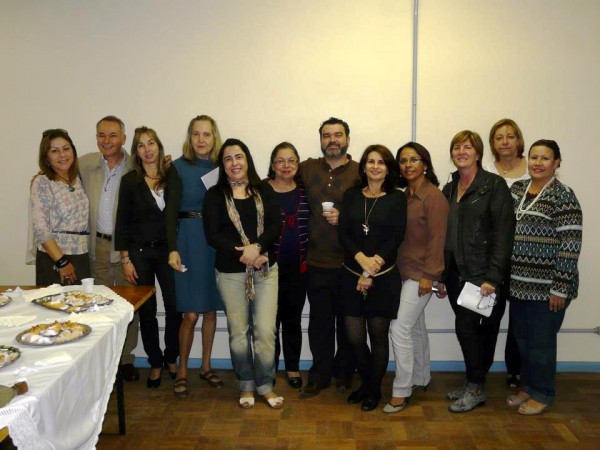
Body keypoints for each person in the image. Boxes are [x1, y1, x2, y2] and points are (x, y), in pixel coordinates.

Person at [437, 130, 515, 413]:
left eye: (468, 147)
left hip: (483, 277)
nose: (461, 152)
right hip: (456, 275)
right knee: (470, 331)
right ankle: (474, 382)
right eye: (457, 147)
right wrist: (442, 275)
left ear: (478, 153)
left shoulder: (494, 186)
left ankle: (475, 386)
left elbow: (504, 234)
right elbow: (443, 234)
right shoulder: (449, 188)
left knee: (474, 330)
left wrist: (493, 276)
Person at [203, 138, 283, 409]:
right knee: (239, 332)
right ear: (222, 165)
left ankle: (266, 385)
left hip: (266, 270)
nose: (234, 163)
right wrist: (245, 254)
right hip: (230, 273)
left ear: (247, 160)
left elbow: (275, 226)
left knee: (265, 331)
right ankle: (246, 384)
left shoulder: (264, 190)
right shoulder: (214, 196)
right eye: (228, 159)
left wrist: (257, 248)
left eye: (239, 157)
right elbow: (213, 235)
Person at [505, 140, 582, 416]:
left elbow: (571, 244)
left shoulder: (563, 196)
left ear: (556, 162)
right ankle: (528, 386)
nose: (538, 163)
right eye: (534, 157)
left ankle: (543, 393)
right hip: (518, 285)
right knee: (523, 342)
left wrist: (560, 288)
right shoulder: (517, 190)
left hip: (548, 289)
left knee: (541, 345)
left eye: (545, 158)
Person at [338, 145, 406, 411]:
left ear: (388, 169)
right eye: (370, 161)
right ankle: (367, 383)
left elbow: (396, 237)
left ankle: (374, 389)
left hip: (383, 277)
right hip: (351, 275)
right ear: (364, 167)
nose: (375, 166)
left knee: (378, 337)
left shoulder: (397, 198)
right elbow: (343, 233)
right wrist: (360, 259)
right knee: (355, 338)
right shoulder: (351, 195)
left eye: (381, 162)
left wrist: (370, 268)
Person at [297, 117, 361, 398]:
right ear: (321, 140)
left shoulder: (361, 172)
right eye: (327, 135)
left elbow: (374, 209)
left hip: (350, 262)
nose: (332, 140)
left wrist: (345, 217)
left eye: (338, 134)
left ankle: (345, 372)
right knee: (320, 324)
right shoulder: (307, 168)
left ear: (348, 139)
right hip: (317, 261)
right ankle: (319, 375)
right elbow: (278, 179)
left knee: (348, 323)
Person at [115, 127, 182, 388]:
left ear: (159, 146)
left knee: (175, 306)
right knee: (147, 311)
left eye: (151, 143)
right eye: (141, 145)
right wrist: (125, 259)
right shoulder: (130, 181)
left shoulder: (171, 174)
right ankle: (155, 362)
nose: (147, 149)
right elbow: (122, 222)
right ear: (136, 151)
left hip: (168, 251)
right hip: (139, 253)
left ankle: (171, 357)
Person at [384, 142, 448, 413]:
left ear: (425, 164)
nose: (408, 165)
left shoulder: (434, 197)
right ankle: (421, 376)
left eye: (414, 159)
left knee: (399, 328)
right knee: (415, 327)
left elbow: (438, 239)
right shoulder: (403, 196)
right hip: (401, 270)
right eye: (403, 160)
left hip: (421, 274)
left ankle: (401, 390)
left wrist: (431, 275)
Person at [165, 115, 225, 398]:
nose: (201, 140)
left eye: (207, 134)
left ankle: (206, 366)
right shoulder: (177, 167)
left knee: (211, 309)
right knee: (190, 313)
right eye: (196, 134)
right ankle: (182, 370)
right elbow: (170, 211)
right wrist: (172, 248)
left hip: (214, 242)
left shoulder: (222, 167)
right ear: (190, 137)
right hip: (187, 240)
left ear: (215, 137)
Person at [79, 116, 139, 381]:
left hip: (127, 246)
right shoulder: (85, 164)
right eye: (101, 135)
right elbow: (59, 171)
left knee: (128, 305)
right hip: (98, 245)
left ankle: (125, 360)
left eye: (113, 135)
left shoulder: (136, 166)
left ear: (124, 139)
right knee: (100, 305)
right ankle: (104, 362)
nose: (107, 140)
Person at [486, 118, 529, 388]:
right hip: (493, 254)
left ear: (519, 140)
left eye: (510, 136)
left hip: (524, 253)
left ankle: (516, 368)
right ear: (492, 143)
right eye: (499, 137)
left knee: (520, 318)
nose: (505, 142)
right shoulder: (486, 170)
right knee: (491, 314)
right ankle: (481, 370)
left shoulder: (532, 169)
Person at [266, 142, 309, 389]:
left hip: (298, 269)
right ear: (273, 165)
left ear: (298, 164)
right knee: (269, 322)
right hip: (267, 269)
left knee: (292, 320)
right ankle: (268, 368)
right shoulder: (261, 190)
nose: (286, 165)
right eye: (280, 161)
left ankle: (292, 367)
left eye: (291, 160)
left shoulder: (305, 191)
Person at [28, 129, 91, 285]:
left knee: (83, 300)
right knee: (55, 301)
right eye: (54, 151)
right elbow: (41, 229)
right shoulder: (42, 182)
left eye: (66, 148)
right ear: (46, 157)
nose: (62, 155)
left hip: (81, 255)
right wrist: (62, 262)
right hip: (55, 258)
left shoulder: (78, 178)